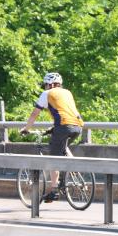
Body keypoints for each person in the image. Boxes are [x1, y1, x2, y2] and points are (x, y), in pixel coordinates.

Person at [20, 72, 84, 203]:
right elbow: (69, 113)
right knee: (63, 147)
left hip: (64, 126)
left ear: (50, 84)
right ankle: (75, 169)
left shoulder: (47, 94)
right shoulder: (67, 92)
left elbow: (34, 114)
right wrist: (53, 129)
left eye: (46, 84)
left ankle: (54, 190)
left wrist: (26, 129)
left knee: (53, 158)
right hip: (78, 126)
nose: (45, 87)